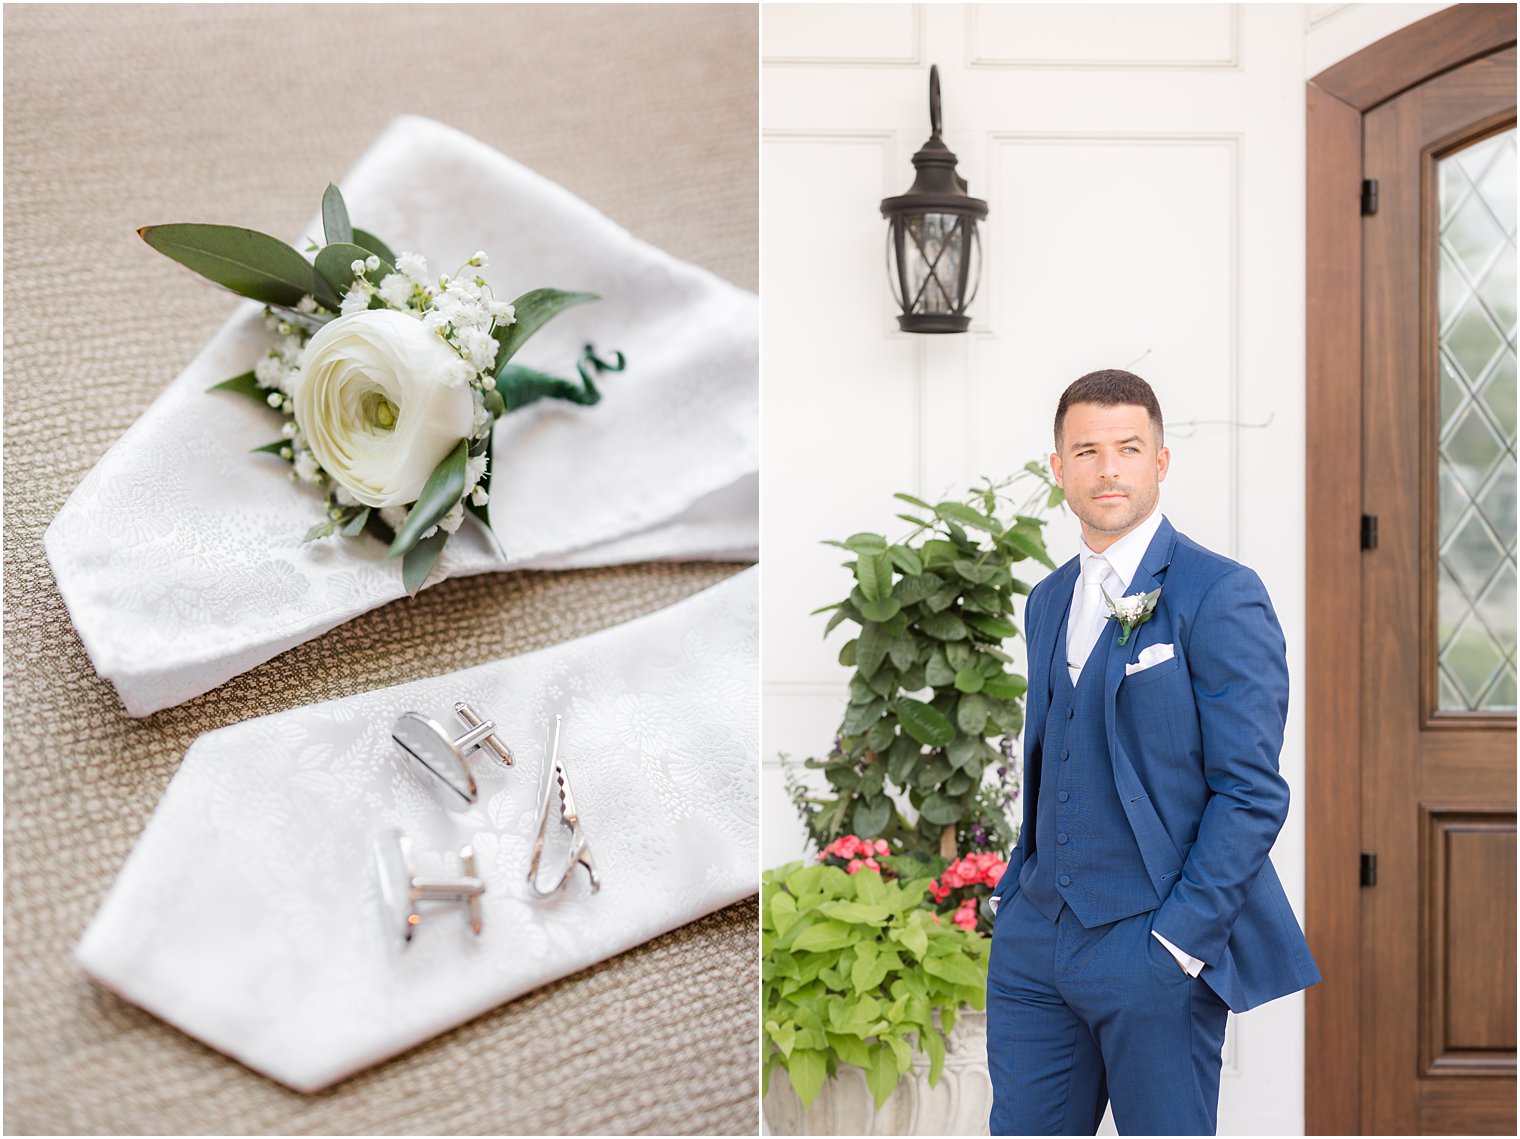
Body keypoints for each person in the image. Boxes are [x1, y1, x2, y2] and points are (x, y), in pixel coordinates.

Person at [984, 369, 1319, 1136]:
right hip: (1037, 943)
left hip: (1152, 945)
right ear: (1057, 468)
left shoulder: (1220, 593)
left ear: (1160, 462)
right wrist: (1016, 900)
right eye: (1088, 450)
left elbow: (1251, 791)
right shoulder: (1046, 601)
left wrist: (1178, 941)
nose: (1109, 468)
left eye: (1129, 448)